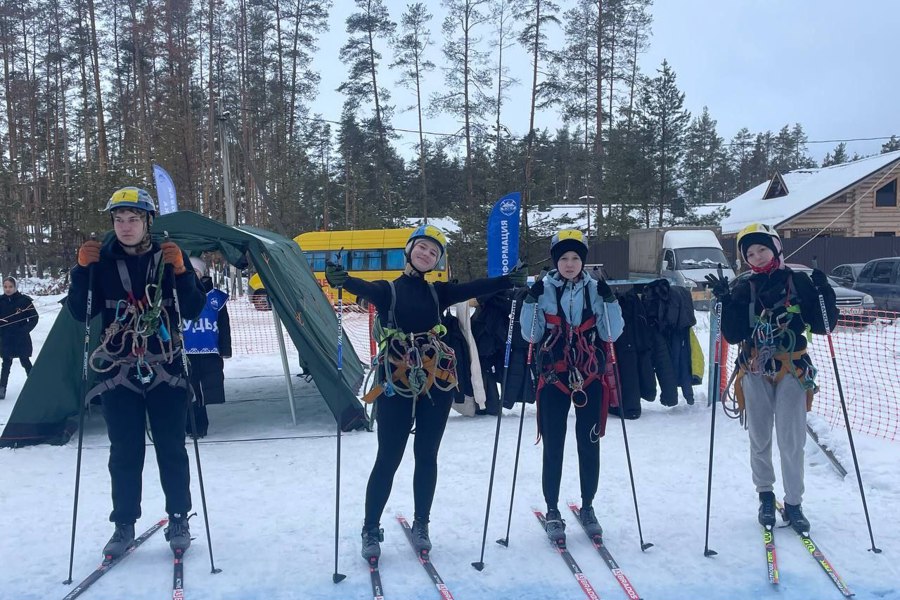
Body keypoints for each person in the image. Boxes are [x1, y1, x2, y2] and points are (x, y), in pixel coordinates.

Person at [324, 224, 527, 560]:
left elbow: (476, 287)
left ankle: (422, 524)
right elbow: (360, 287)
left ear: (436, 261)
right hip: (395, 382)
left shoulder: (438, 293)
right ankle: (370, 528)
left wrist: (508, 280)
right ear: (409, 250)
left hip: (436, 383)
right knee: (388, 457)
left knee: (427, 455)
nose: (426, 254)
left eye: (433, 252)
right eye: (422, 248)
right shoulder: (388, 290)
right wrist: (341, 280)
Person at [67, 187, 206, 558]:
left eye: (133, 219)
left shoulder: (167, 257)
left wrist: (182, 272)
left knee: (171, 449)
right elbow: (80, 313)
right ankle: (123, 524)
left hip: (166, 369)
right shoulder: (100, 262)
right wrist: (80, 272)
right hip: (118, 371)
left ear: (148, 222)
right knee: (125, 452)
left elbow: (192, 310)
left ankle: (178, 517)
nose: (125, 227)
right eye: (119, 220)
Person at [707, 223, 837, 534]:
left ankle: (794, 502)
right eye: (750, 253)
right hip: (754, 370)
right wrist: (725, 302)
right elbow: (735, 333)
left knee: (792, 440)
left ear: (776, 248)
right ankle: (766, 496)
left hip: (792, 368)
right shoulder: (743, 287)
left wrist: (824, 292)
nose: (757, 256)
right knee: (760, 438)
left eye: (762, 249)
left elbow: (823, 325)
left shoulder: (799, 282)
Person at [520, 229, 624, 543]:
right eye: (563, 258)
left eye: (575, 258)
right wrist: (530, 302)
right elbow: (531, 335)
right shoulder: (544, 289)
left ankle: (588, 506)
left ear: (583, 261)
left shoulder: (596, 290)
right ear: (555, 260)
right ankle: (552, 509)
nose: (569, 263)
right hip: (554, 377)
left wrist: (610, 300)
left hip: (590, 376)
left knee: (589, 442)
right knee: (553, 445)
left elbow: (611, 334)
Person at [183, 257, 232, 438]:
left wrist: (225, 349)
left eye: (196, 272)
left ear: (202, 273)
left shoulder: (216, 299)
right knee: (187, 389)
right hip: (185, 351)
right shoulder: (176, 296)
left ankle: (200, 426)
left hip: (209, 351)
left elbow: (224, 326)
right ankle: (188, 425)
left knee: (204, 392)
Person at [0, 276, 38, 400]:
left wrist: (24, 330)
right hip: (6, 338)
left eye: (10, 286)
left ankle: (34, 385)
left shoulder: (24, 301)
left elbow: (34, 318)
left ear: (15, 287)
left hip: (21, 337)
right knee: (6, 363)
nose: (8, 289)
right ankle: (2, 388)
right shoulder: (0, 301)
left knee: (25, 361)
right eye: (5, 287)